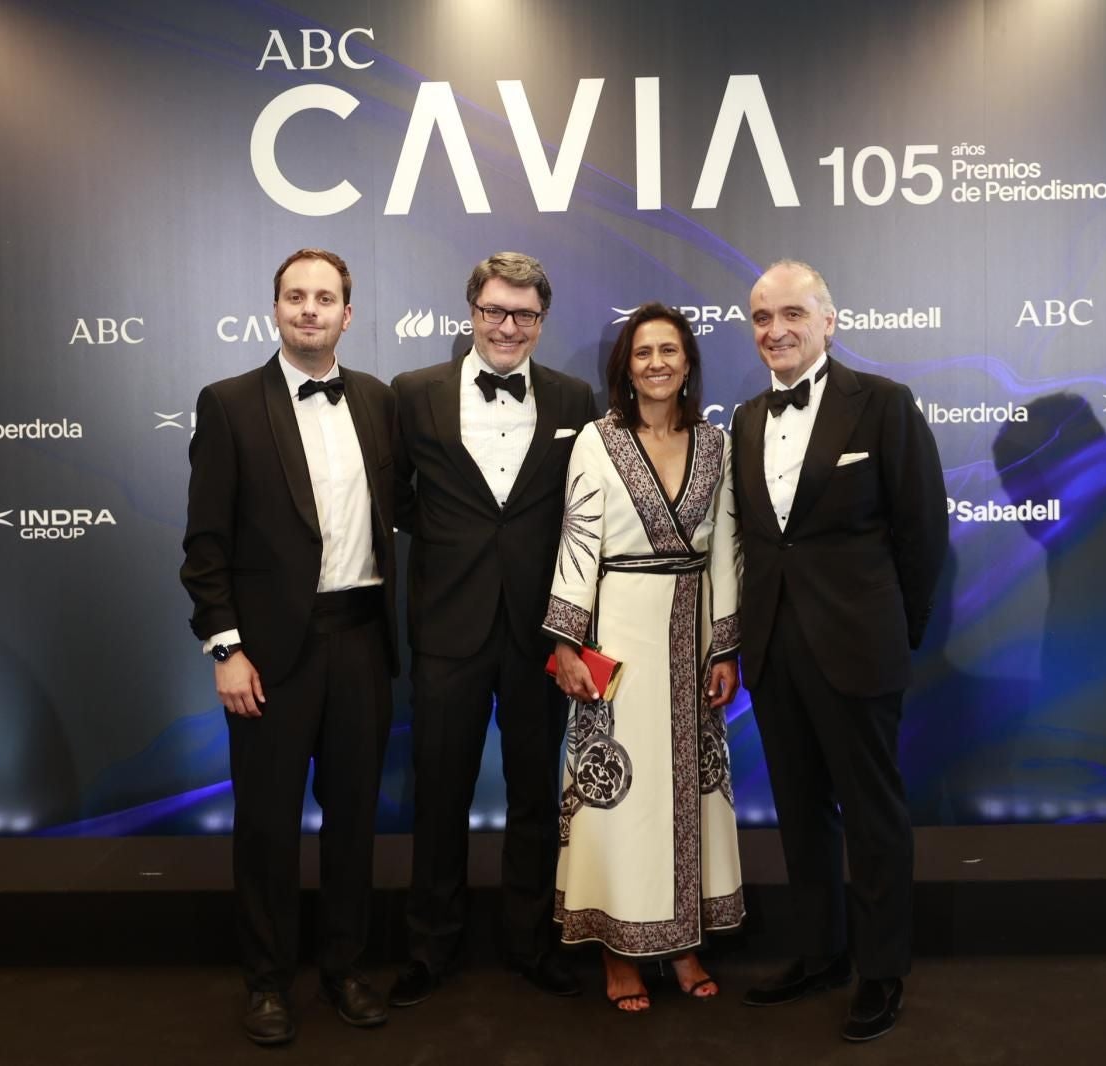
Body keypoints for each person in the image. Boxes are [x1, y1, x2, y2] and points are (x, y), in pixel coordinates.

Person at [180, 248, 398, 1046]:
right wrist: (225, 650)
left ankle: (344, 967)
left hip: (363, 642)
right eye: (296, 296)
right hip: (269, 656)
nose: (310, 308)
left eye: (326, 297)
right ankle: (268, 983)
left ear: (349, 312)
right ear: (275, 308)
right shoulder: (230, 404)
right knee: (267, 827)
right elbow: (205, 546)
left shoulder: (377, 400)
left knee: (353, 824)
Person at [731, 261, 947, 1042]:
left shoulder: (883, 405)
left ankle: (881, 969)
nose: (775, 330)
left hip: (860, 647)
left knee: (873, 815)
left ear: (829, 321)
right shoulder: (747, 419)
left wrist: (897, 630)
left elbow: (923, 533)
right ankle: (819, 952)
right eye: (760, 317)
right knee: (799, 812)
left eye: (792, 313)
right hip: (776, 651)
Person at [389, 252, 597, 1006]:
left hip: (542, 630)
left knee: (536, 795)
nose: (508, 327)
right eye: (494, 312)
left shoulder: (577, 396)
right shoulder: (413, 396)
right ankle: (430, 948)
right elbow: (396, 499)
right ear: (471, 311)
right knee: (439, 793)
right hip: (449, 625)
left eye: (525, 315)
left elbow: (585, 511)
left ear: (542, 322)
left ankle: (529, 941)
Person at [545, 302, 743, 1013]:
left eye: (669, 350)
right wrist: (569, 643)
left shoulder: (717, 444)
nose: (656, 363)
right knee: (620, 796)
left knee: (690, 789)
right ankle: (619, 950)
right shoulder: (597, 442)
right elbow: (578, 541)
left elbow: (725, 547)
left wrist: (726, 647)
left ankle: (685, 942)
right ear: (624, 368)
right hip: (618, 633)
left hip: (692, 636)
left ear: (688, 362)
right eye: (642, 353)